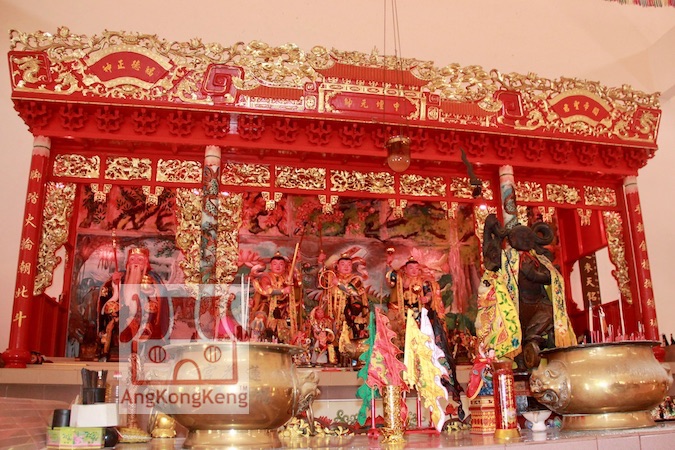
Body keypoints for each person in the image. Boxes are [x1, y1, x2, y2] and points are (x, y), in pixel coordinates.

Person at [98, 247, 168, 361]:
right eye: (132, 259)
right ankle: (109, 351)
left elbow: (158, 301)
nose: (135, 263)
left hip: (143, 317)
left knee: (146, 323)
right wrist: (114, 284)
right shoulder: (121, 278)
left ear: (146, 263)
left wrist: (150, 296)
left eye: (140, 260)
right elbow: (110, 297)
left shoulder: (152, 279)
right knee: (112, 316)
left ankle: (143, 352)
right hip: (122, 317)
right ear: (127, 263)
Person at [317, 251, 369, 345]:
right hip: (332, 311)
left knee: (347, 337)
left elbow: (352, 292)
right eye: (343, 264)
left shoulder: (355, 278)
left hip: (348, 312)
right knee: (330, 335)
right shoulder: (332, 276)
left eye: (349, 264)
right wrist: (320, 262)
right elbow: (322, 278)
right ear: (337, 266)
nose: (346, 267)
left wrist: (339, 284)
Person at [250, 251, 301, 343]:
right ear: (271, 266)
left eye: (281, 264)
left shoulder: (287, 276)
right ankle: (257, 338)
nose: (278, 266)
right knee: (260, 317)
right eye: (275, 264)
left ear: (284, 266)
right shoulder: (266, 277)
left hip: (284, 306)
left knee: (294, 316)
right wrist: (283, 291)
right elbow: (268, 290)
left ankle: (290, 340)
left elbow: (298, 282)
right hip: (269, 304)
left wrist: (297, 262)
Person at [386, 255, 444, 322]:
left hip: (418, 309)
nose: (414, 271)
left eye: (416, 268)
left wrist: (426, 298)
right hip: (403, 309)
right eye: (411, 268)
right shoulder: (401, 279)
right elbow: (391, 274)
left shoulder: (422, 281)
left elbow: (429, 292)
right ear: (405, 269)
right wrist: (389, 263)